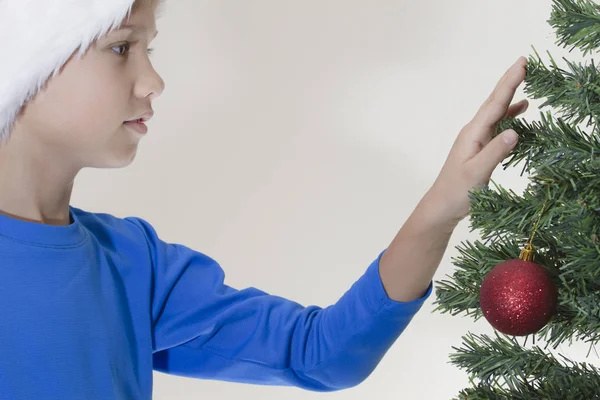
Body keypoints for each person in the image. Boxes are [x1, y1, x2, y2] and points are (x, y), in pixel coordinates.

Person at [0, 0, 529, 398]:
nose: (154, 81)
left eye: (149, 48)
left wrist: (442, 204)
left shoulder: (132, 263)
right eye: (121, 47)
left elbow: (320, 353)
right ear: (29, 58)